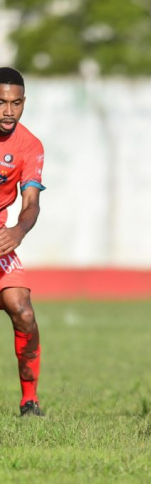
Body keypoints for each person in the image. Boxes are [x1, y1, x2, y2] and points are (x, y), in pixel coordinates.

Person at [0, 67, 45, 417]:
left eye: (15, 103)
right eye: (1, 102)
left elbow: (31, 203)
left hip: (1, 242)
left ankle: (29, 400)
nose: (8, 111)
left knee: (24, 310)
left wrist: (17, 231)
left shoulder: (29, 145)